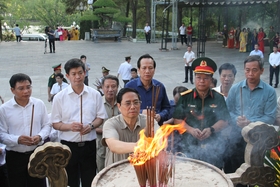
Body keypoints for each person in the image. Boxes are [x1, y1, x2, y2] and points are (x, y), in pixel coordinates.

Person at [51, 58, 107, 187]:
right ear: (67, 76)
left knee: (90, 180)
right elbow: (55, 123)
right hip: (68, 146)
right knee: (71, 182)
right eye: (74, 74)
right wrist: (70, 126)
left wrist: (91, 126)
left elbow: (100, 118)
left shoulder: (95, 94)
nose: (78, 77)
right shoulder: (59, 97)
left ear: (85, 73)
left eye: (80, 73)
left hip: (89, 145)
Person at [225, 55, 277, 185]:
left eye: (254, 70)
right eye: (247, 70)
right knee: (233, 175)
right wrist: (236, 119)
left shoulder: (270, 91)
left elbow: (270, 117)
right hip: (236, 139)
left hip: (259, 143)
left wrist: (250, 123)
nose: (250, 74)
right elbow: (227, 111)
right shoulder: (236, 89)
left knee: (254, 178)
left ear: (262, 70)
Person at [173, 57, 231, 169]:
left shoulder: (218, 98)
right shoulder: (185, 97)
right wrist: (191, 130)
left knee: (213, 176)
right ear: (194, 78)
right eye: (198, 77)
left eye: (205, 78)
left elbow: (225, 120)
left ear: (211, 80)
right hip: (189, 146)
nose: (201, 81)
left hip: (213, 146)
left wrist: (211, 129)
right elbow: (177, 119)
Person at [0, 73, 51, 187]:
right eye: (21, 88)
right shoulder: (4, 109)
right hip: (15, 157)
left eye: (28, 87)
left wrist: (40, 136)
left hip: (36, 154)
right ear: (12, 90)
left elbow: (47, 125)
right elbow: (1, 135)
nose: (26, 91)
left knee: (38, 184)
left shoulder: (39, 104)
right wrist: (17, 139)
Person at [102, 87, 158, 166]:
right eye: (128, 103)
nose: (132, 107)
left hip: (143, 169)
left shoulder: (149, 121)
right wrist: (139, 146)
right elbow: (113, 145)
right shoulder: (111, 124)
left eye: (136, 102)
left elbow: (160, 139)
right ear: (119, 106)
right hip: (117, 172)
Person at [125, 54, 171, 126]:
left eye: (150, 68)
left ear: (154, 70)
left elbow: (167, 107)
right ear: (138, 70)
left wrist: (160, 115)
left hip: (155, 128)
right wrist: (140, 112)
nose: (147, 71)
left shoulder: (160, 87)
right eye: (144, 68)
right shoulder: (129, 87)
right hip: (135, 128)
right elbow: (123, 108)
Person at [96, 75, 119, 172]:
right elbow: (91, 125)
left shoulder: (123, 102)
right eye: (107, 87)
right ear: (102, 87)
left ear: (117, 87)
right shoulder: (97, 103)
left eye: (113, 86)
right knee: (102, 173)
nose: (110, 90)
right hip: (102, 147)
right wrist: (107, 131)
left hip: (120, 145)